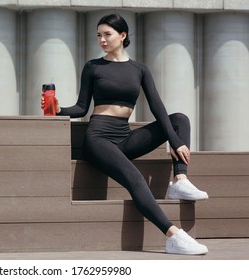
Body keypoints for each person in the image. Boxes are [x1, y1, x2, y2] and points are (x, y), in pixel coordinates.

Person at [41, 14, 209, 255]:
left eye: (107, 34)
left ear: (123, 35)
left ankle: (180, 181)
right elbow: (81, 108)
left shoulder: (139, 69)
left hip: (125, 137)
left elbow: (157, 107)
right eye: (98, 35)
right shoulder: (93, 67)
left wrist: (175, 141)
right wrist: (58, 110)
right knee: (136, 179)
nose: (102, 39)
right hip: (98, 139)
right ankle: (173, 236)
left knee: (179, 119)